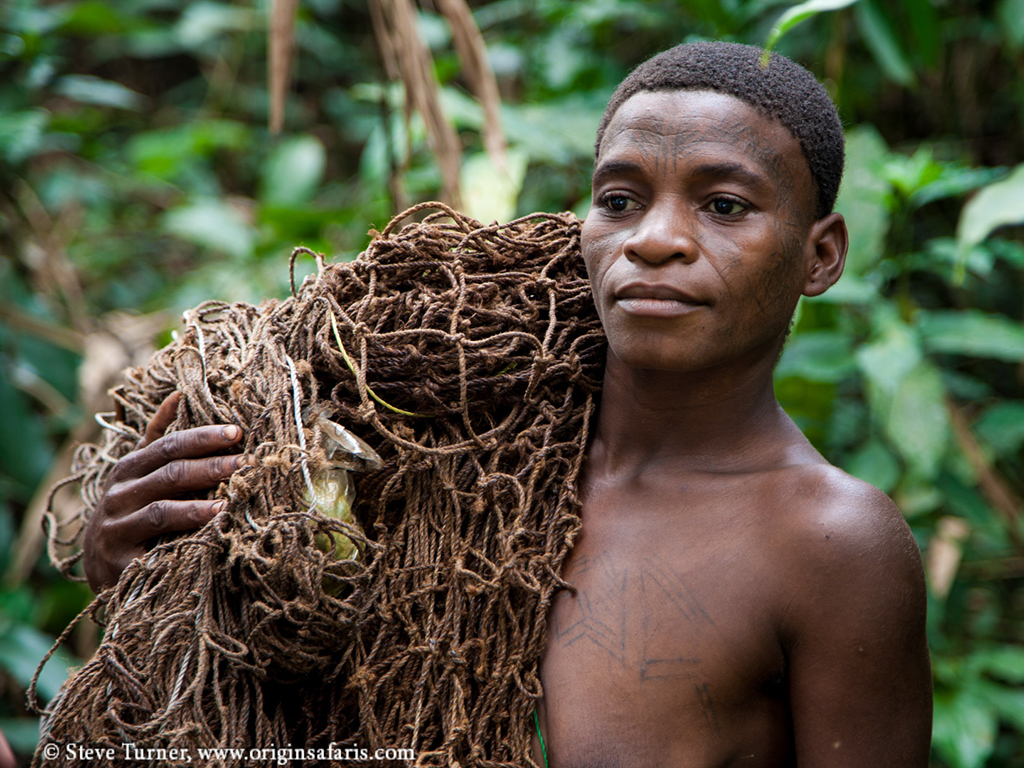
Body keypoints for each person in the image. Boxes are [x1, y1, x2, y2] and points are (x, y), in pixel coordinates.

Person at [81, 42, 932, 767]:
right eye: (619, 200)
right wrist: (139, 578)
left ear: (821, 255)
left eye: (723, 206)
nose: (655, 239)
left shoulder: (828, 543)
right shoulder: (438, 462)